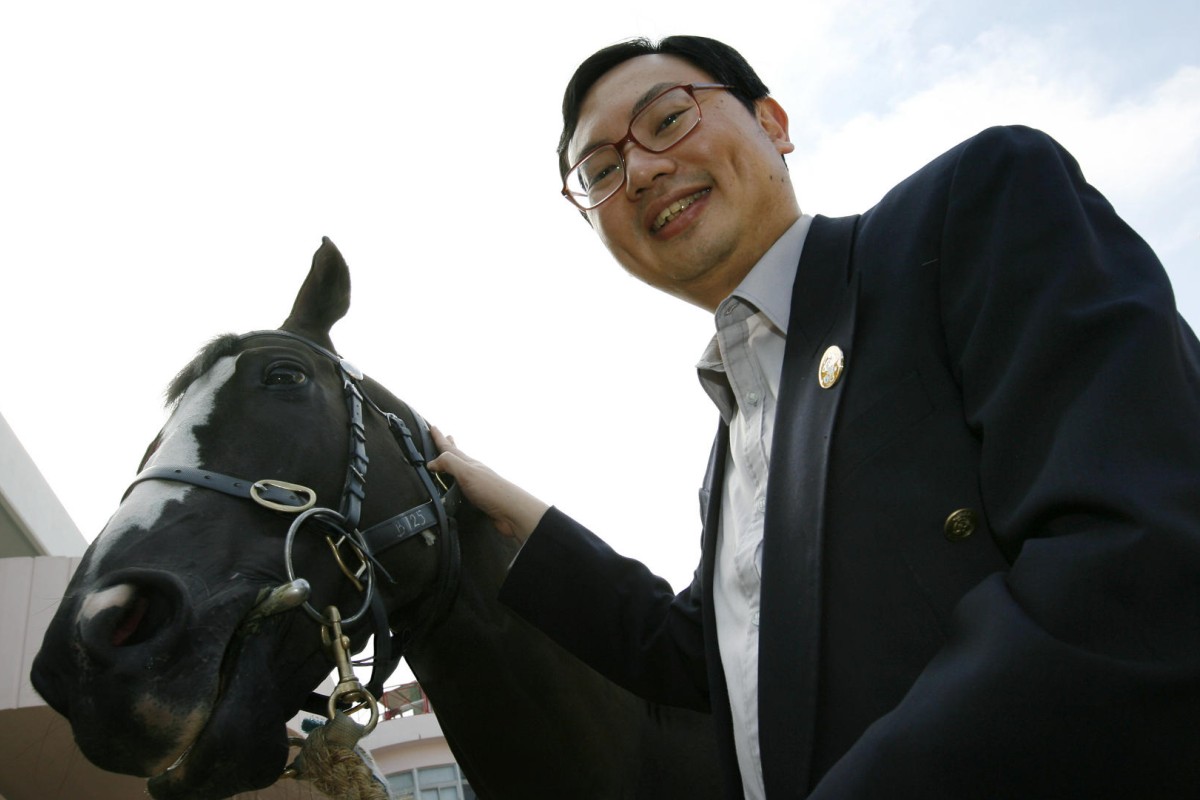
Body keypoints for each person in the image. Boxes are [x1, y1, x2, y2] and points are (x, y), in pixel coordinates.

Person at [428, 35, 1200, 799]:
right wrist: (507, 504)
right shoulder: (731, 446)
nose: (639, 171)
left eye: (667, 120)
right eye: (598, 171)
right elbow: (702, 654)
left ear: (773, 123)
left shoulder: (969, 209)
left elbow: (1138, 558)